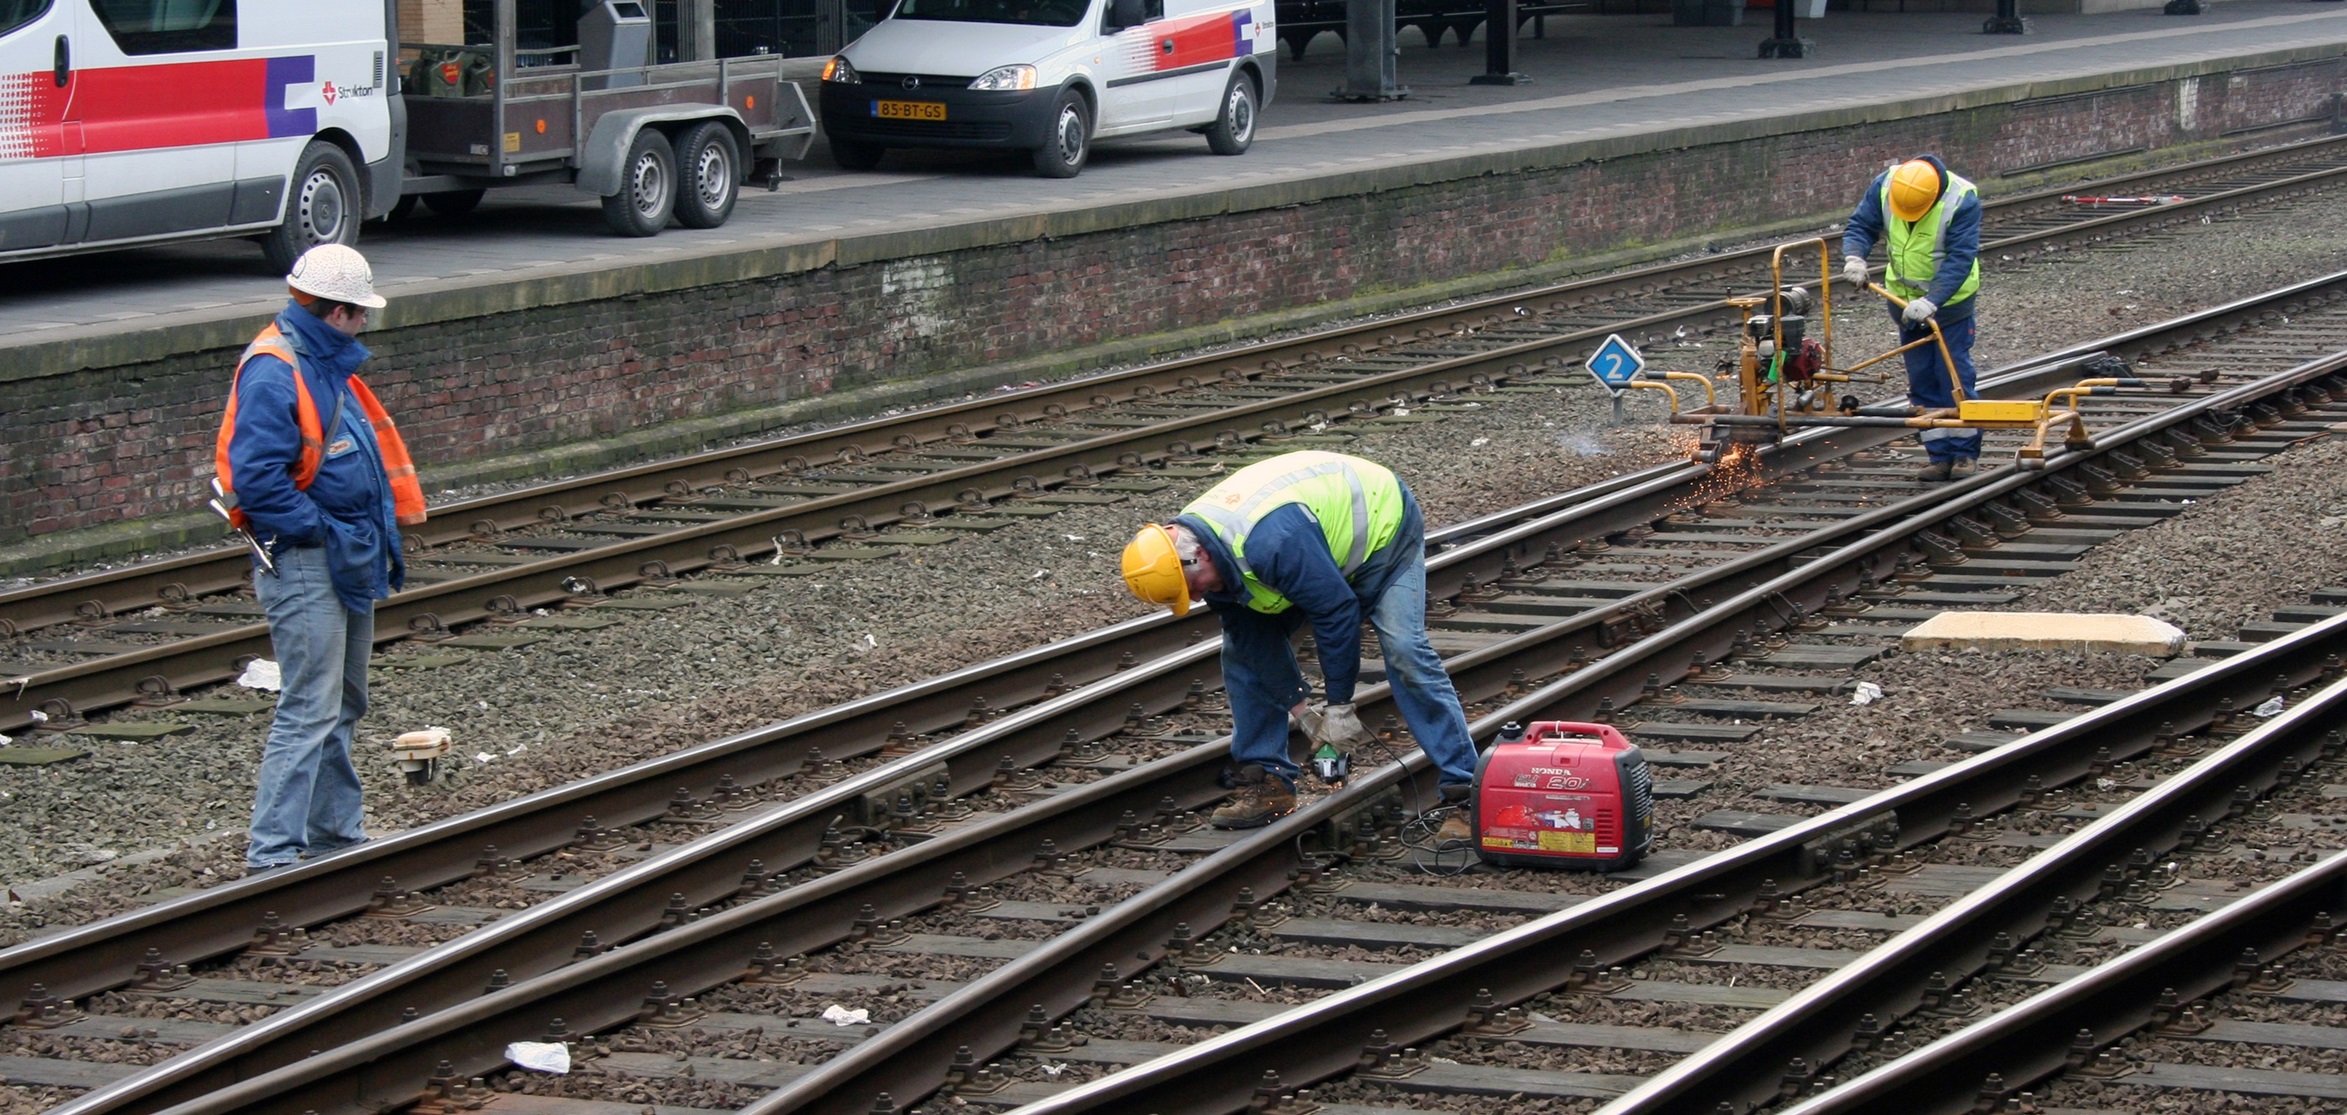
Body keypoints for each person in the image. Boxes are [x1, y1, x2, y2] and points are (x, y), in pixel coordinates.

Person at [1118, 450, 1479, 838]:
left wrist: (1339, 708)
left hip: (1380, 530)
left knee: (1405, 651)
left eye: (1192, 588)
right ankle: (1268, 781)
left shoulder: (1272, 542)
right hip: (1312, 549)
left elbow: (1336, 612)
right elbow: (1256, 641)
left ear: (1199, 556)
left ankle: (1464, 791)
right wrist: (1304, 712)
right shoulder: (1196, 553)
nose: (1197, 598)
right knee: (1242, 654)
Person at [214, 244, 425, 875]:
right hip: (310, 560)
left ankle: (334, 835)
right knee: (309, 708)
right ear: (337, 313)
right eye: (360, 313)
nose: (366, 323)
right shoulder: (278, 370)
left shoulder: (320, 363)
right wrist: (325, 532)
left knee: (342, 702)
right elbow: (257, 482)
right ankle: (273, 855)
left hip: (341, 556)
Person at [1841, 154, 1984, 481]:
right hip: (1902, 301)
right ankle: (1939, 455)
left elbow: (1960, 259)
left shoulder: (1962, 200)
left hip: (1950, 305)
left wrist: (1933, 300)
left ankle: (1964, 453)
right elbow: (1861, 225)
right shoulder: (1887, 185)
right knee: (1922, 378)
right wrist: (1854, 257)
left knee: (1953, 377)